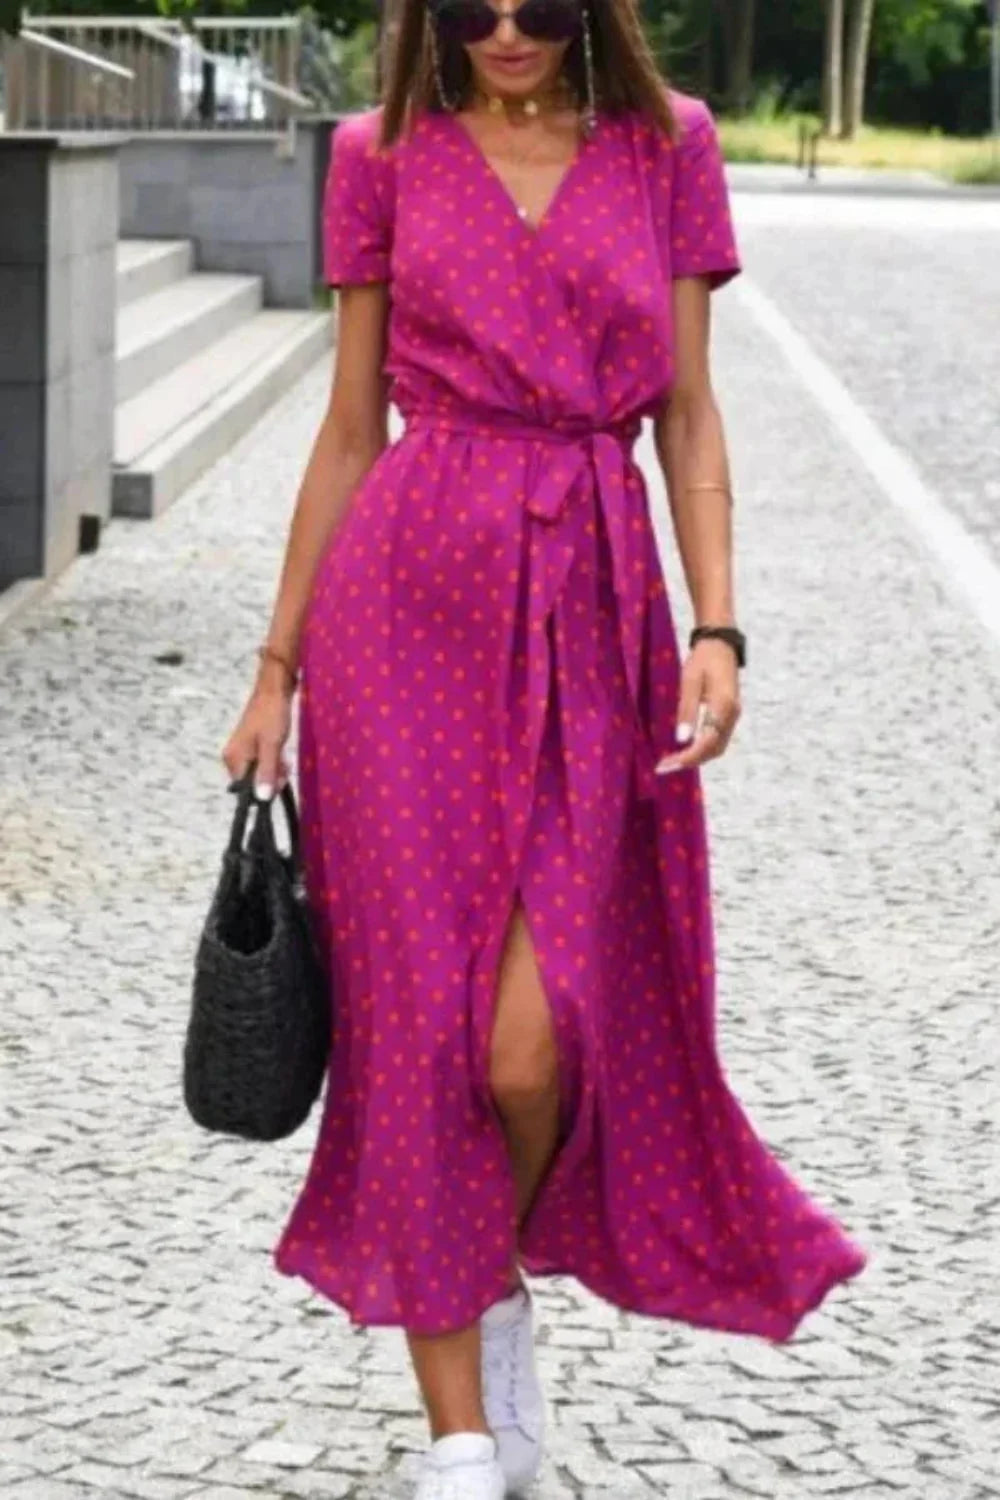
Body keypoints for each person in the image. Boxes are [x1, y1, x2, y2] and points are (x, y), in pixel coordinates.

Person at [222, 1, 869, 1495]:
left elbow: (692, 419)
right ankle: (461, 1425)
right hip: (401, 615)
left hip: (594, 600)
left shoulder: (667, 148)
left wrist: (720, 627)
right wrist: (274, 670)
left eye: (541, 6)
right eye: (472, 7)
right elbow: (345, 430)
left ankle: (489, 1283)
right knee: (416, 1025)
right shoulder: (379, 151)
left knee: (538, 1038)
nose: (507, 32)